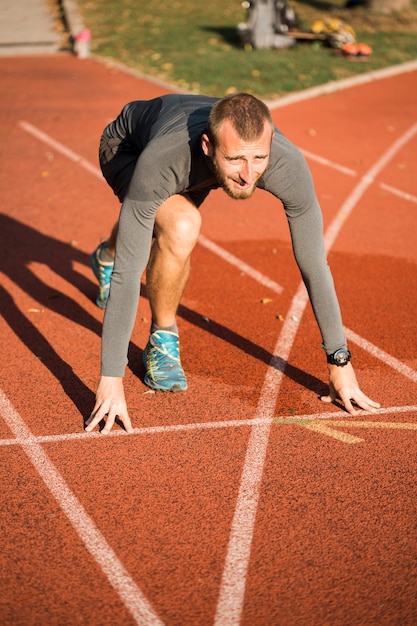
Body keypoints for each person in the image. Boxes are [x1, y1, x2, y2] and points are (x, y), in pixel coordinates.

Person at [85, 92, 380, 434]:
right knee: (179, 224)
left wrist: (339, 362)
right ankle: (163, 336)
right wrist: (110, 378)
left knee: (153, 214)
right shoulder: (164, 159)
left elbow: (315, 265)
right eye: (237, 159)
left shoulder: (285, 163)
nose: (248, 173)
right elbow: (129, 273)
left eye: (259, 158)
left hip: (195, 167)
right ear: (209, 146)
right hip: (130, 148)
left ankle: (107, 250)